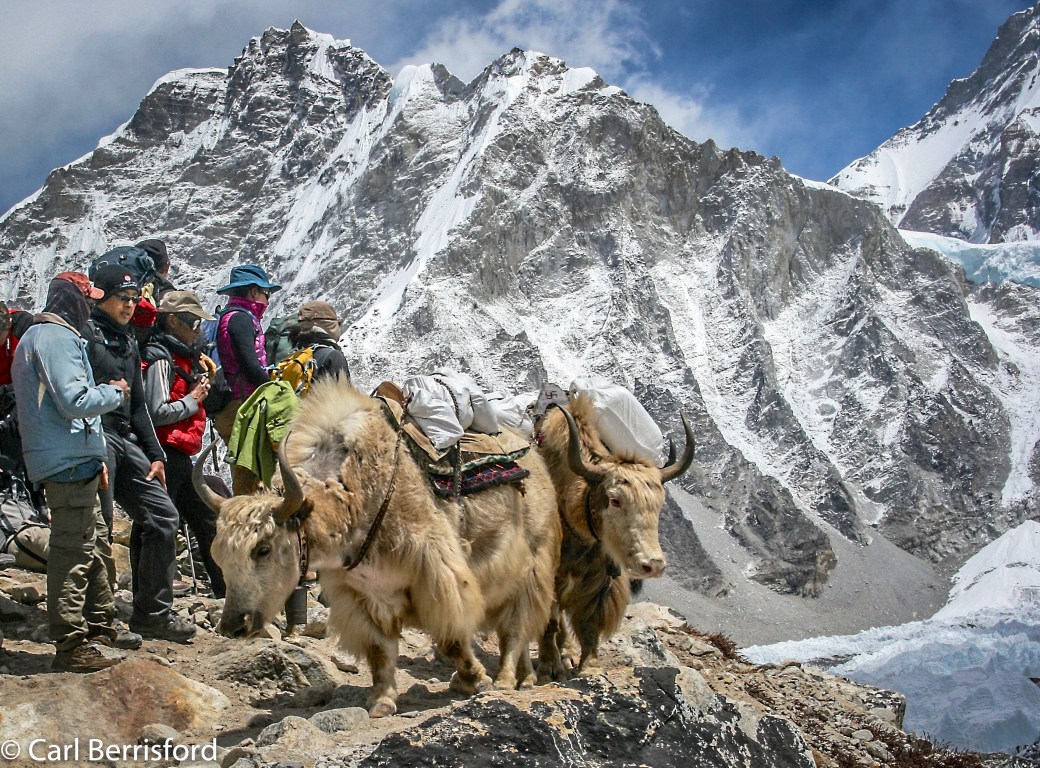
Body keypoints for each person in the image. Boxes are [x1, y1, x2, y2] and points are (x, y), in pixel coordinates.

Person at [11, 273, 127, 672]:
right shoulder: (57, 339)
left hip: (66, 459)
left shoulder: (34, 338)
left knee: (89, 542)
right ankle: (71, 640)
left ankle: (99, 624)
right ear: (72, 301)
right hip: (68, 461)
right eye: (87, 300)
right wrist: (116, 392)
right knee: (73, 549)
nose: (92, 308)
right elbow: (75, 401)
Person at [85, 264, 195, 642]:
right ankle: (94, 621)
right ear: (101, 296)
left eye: (134, 299)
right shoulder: (85, 336)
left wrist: (155, 454)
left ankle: (153, 614)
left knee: (163, 515)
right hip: (92, 435)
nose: (129, 305)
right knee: (95, 527)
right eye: (122, 298)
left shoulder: (129, 341)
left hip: (124, 436)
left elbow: (138, 409)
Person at [142, 291, 225, 597]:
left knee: (204, 519)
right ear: (172, 321)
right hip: (164, 451)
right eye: (191, 322)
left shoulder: (180, 358)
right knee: (160, 524)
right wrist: (193, 400)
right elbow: (156, 411)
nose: (197, 330)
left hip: (177, 452)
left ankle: (225, 592)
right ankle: (152, 599)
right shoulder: (160, 357)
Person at [211, 264, 280, 447]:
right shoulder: (241, 319)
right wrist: (274, 389)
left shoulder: (228, 316)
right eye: (267, 293)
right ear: (253, 291)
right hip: (243, 404)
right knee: (251, 468)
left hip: (230, 404)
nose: (268, 301)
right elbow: (250, 366)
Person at [287, 301, 351, 383]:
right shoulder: (333, 356)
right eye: (338, 324)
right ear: (329, 324)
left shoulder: (293, 356)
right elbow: (344, 393)